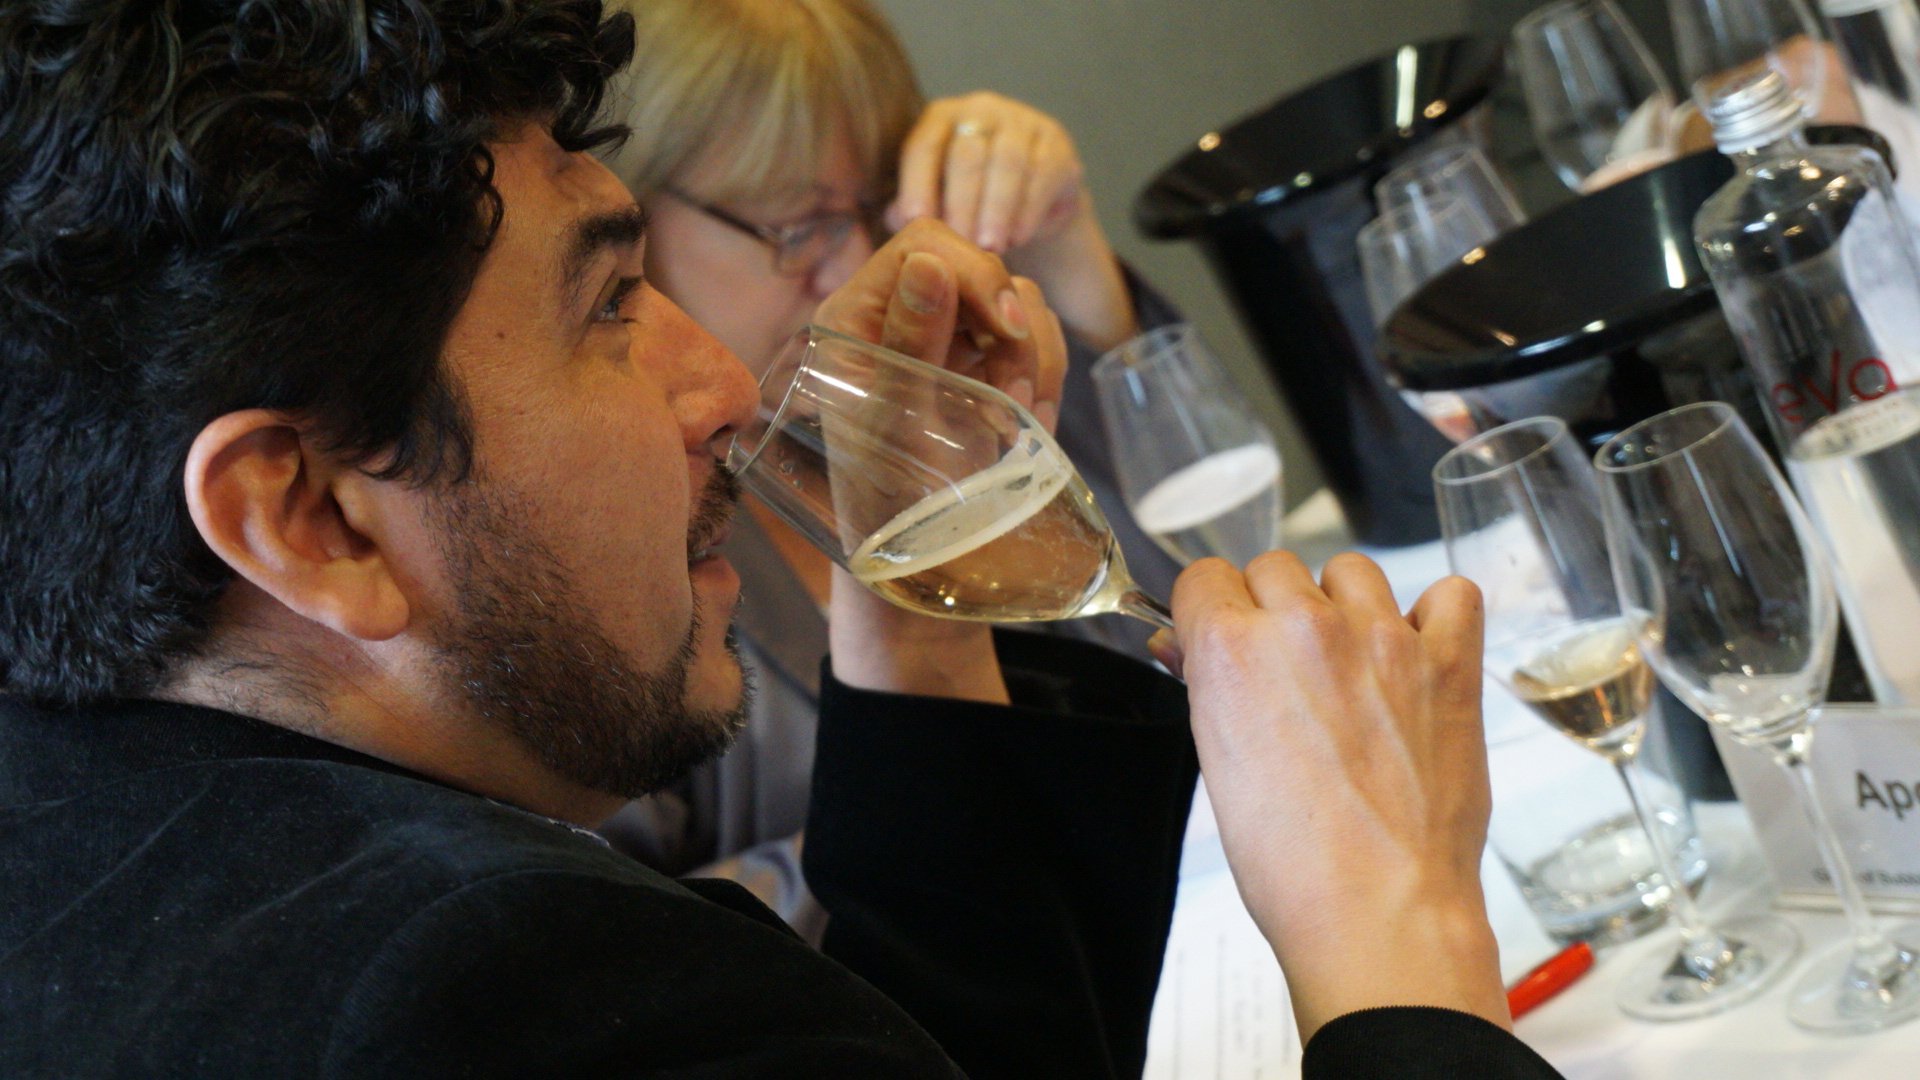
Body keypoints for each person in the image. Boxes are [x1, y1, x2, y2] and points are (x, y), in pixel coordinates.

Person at [0, 1, 1561, 1076]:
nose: (725, 384)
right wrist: (1395, 951)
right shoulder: (489, 1000)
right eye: (612, 305)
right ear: (308, 513)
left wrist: (918, 605)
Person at [594, 0, 1187, 914]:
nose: (857, 266)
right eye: (800, 226)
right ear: (626, 220)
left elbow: (1162, 626)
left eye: (874, 212)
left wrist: (1068, 260)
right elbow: (613, 947)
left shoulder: (888, 416)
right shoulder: (602, 545)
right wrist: (959, 819)